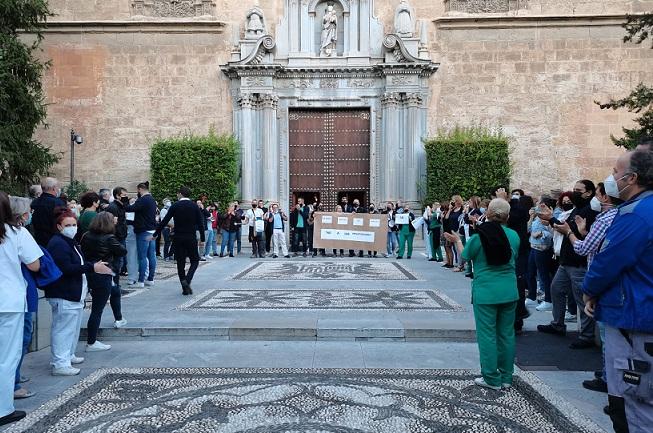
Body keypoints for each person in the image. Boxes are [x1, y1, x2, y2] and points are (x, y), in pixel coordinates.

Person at [582, 150, 653, 433]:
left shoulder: (635, 215)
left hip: (633, 318)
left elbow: (608, 261)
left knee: (634, 401)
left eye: (614, 172)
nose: (611, 178)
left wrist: (590, 290)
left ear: (632, 178)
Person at [445, 198, 520, 391]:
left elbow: (465, 257)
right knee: (507, 334)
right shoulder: (513, 236)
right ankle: (506, 376)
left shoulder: (479, 237)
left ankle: (491, 377)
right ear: (507, 216)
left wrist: (458, 241)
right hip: (509, 291)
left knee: (487, 335)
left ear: (487, 214)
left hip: (486, 292)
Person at [44, 209, 113, 376]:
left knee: (72, 328)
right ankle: (60, 363)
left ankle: (68, 355)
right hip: (64, 293)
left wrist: (92, 265)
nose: (72, 228)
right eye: (68, 225)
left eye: (74, 225)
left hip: (73, 293)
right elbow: (66, 268)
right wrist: (92, 267)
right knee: (63, 329)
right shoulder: (58, 244)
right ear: (59, 226)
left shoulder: (69, 241)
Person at [537, 180, 599, 349]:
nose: (574, 193)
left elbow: (569, 229)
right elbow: (564, 227)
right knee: (556, 289)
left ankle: (587, 335)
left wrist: (552, 219)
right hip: (567, 260)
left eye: (578, 190)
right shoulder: (577, 209)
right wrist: (551, 220)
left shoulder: (590, 211)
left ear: (589, 192)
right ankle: (558, 323)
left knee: (581, 299)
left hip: (578, 262)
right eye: (573, 190)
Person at [0, 192, 42, 426]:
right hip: (9, 300)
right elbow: (34, 264)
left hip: (9, 300)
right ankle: (3, 408)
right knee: (7, 356)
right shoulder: (16, 233)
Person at [80, 212, 127, 350]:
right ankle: (92, 341)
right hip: (103, 272)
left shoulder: (86, 236)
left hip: (90, 271)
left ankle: (119, 318)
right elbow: (122, 251)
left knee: (114, 291)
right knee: (97, 309)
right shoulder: (109, 238)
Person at [155, 187, 206, 295]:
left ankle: (184, 283)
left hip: (178, 237)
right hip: (191, 237)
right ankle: (187, 280)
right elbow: (201, 223)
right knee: (195, 260)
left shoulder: (175, 205)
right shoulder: (194, 206)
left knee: (180, 262)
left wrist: (155, 233)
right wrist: (202, 238)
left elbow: (164, 220)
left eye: (177, 194)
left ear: (180, 194)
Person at [124, 182, 157, 288]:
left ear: (141, 189)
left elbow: (130, 208)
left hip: (143, 231)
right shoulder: (151, 199)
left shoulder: (143, 199)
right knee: (151, 255)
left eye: (138, 190)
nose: (137, 192)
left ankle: (141, 281)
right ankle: (150, 279)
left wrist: (124, 201)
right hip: (151, 230)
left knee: (142, 257)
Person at [526, 196, 555, 311]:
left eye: (538, 202)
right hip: (533, 247)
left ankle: (548, 300)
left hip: (543, 249)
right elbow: (528, 229)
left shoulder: (550, 217)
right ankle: (532, 297)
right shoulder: (536, 217)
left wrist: (542, 233)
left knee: (544, 275)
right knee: (530, 272)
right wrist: (531, 217)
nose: (536, 204)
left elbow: (553, 233)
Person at [106, 187, 129, 294]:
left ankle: (116, 285)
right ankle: (114, 286)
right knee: (116, 262)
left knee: (119, 262)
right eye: (124, 195)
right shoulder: (113, 207)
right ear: (117, 195)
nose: (126, 197)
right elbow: (112, 224)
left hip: (121, 236)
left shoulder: (121, 206)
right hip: (116, 237)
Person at [30, 177, 66, 247]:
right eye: (57, 187)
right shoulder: (58, 203)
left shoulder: (35, 202)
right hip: (54, 240)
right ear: (54, 188)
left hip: (38, 239)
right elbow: (63, 221)